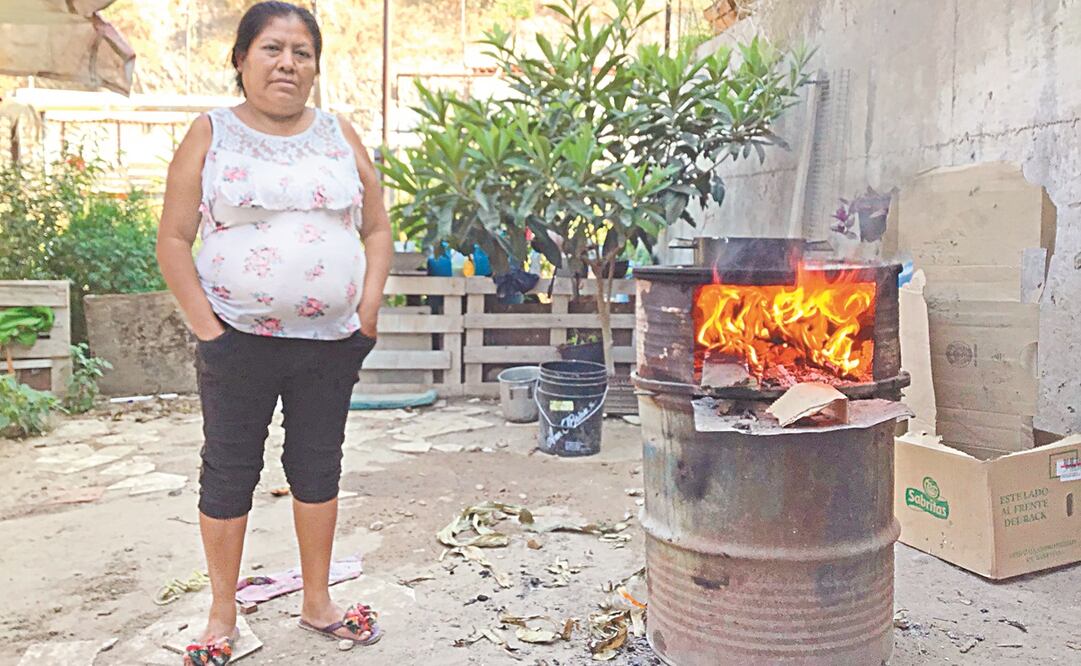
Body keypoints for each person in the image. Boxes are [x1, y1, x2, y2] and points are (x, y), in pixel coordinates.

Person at [156, 2, 392, 663]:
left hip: (330, 341)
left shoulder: (339, 132)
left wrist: (366, 312)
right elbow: (173, 239)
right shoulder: (210, 133)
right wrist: (210, 330)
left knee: (318, 467)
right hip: (236, 339)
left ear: (315, 66)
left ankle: (317, 603)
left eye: (301, 52)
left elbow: (375, 225)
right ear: (240, 59)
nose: (287, 63)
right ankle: (222, 612)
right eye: (271, 48)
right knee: (229, 470)